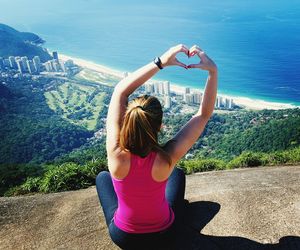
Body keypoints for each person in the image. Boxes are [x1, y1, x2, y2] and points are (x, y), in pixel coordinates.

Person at [96, 44, 218, 249]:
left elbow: (120, 91)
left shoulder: (116, 155)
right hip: (164, 235)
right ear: (160, 126)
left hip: (123, 237)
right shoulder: (166, 158)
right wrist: (212, 72)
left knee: (102, 177)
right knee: (176, 174)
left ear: (128, 121)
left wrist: (160, 62)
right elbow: (203, 115)